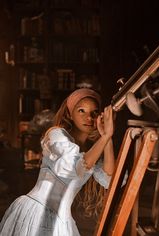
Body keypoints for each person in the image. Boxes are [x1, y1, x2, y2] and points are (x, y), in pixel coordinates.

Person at [0, 88, 115, 236]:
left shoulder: (91, 151)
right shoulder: (56, 135)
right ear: (70, 114)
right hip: (36, 211)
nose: (89, 117)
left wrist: (107, 137)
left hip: (62, 221)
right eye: (81, 111)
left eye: (94, 112)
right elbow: (77, 166)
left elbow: (109, 178)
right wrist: (105, 138)